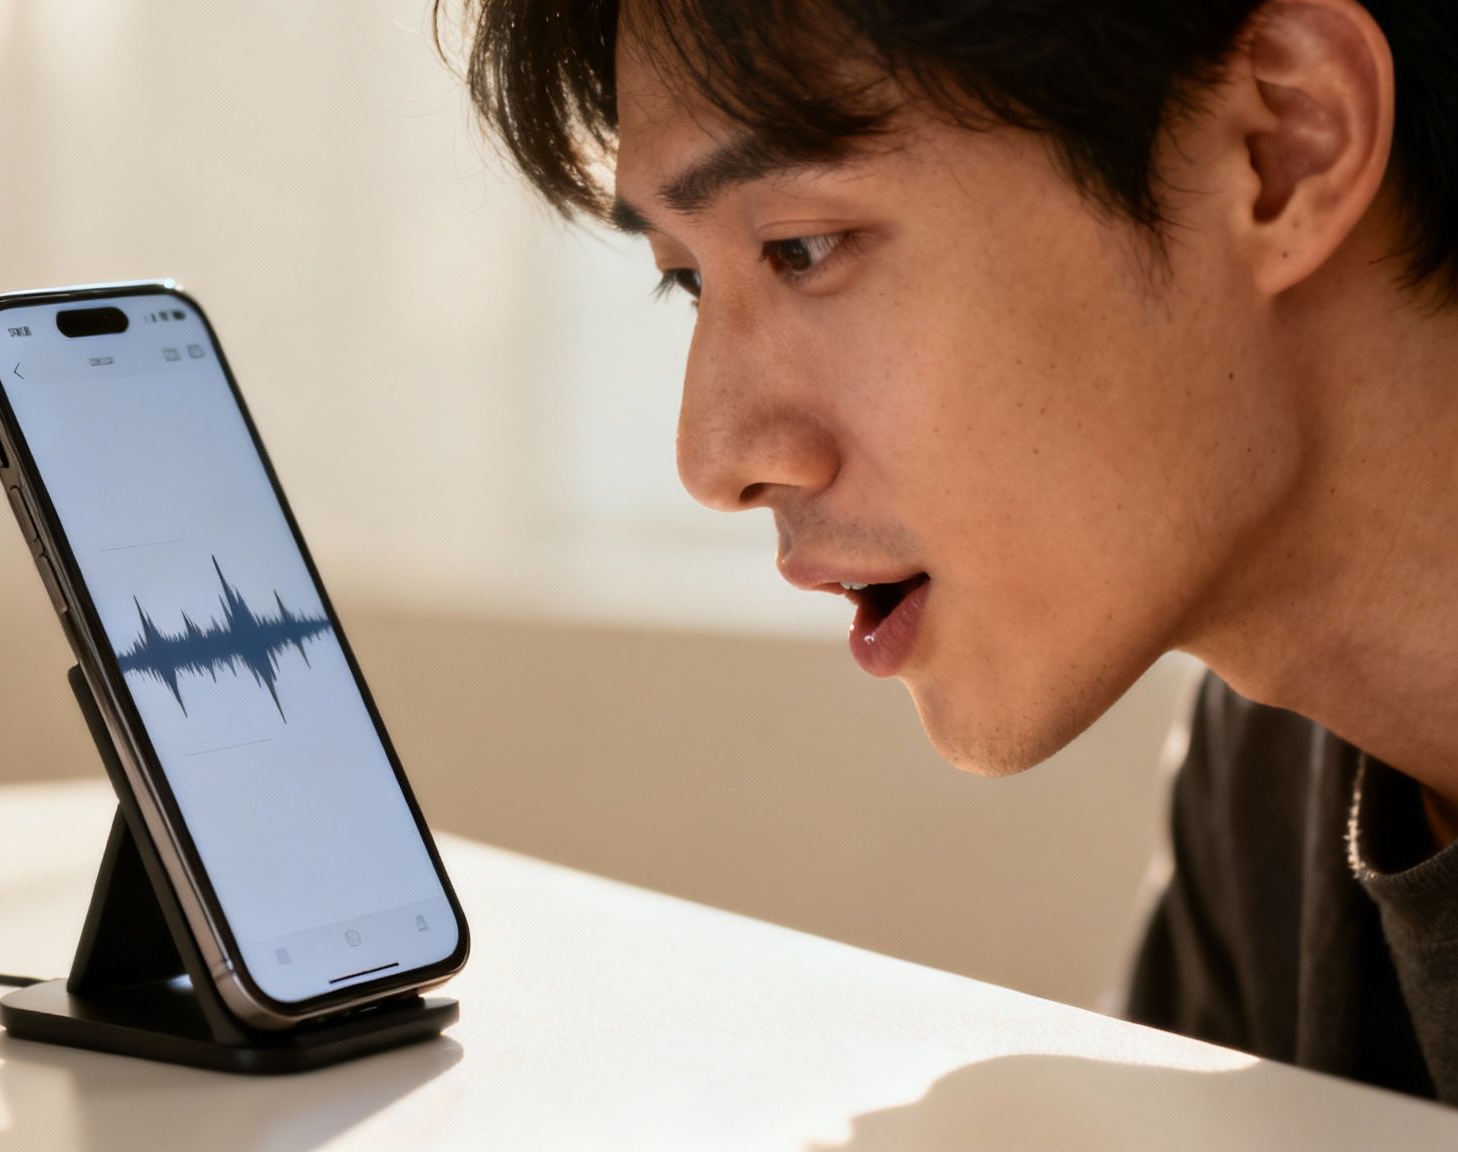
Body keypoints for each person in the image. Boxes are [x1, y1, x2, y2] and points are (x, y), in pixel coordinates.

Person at [437, 0, 1458, 1104]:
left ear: (1283, 147)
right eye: (687, 278)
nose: (712, 458)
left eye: (801, 248)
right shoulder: (1273, 746)